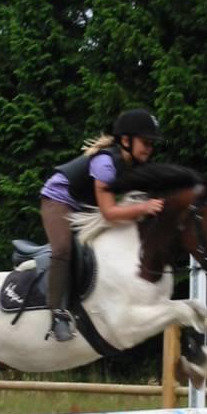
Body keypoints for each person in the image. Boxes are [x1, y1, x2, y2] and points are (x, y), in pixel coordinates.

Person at [40, 108, 166, 342]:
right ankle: (56, 314)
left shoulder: (135, 164)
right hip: (58, 200)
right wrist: (143, 208)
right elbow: (109, 213)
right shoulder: (105, 163)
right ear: (126, 140)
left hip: (84, 205)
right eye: (146, 142)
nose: (150, 148)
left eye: (152, 144)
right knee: (63, 249)